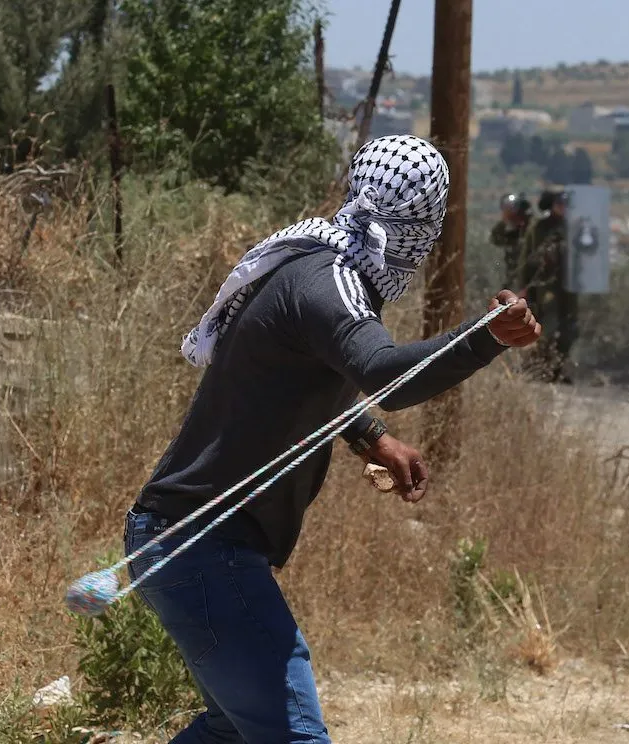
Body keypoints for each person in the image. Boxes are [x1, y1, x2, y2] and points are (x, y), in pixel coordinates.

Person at [123, 134, 542, 744]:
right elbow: (381, 374)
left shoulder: (316, 270)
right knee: (293, 735)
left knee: (236, 734)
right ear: (416, 229)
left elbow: (309, 380)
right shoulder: (330, 283)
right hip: (201, 545)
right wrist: (486, 336)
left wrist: (372, 437)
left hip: (183, 542)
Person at [519, 187, 578, 383]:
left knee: (569, 329)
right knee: (549, 328)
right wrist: (525, 286)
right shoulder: (540, 228)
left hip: (569, 287)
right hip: (546, 286)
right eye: (560, 204)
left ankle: (558, 370)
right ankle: (540, 368)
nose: (563, 208)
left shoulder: (572, 227)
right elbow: (528, 258)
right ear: (552, 205)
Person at [489, 192, 532, 289]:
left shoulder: (530, 229)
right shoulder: (509, 231)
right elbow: (495, 239)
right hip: (513, 276)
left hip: (529, 278)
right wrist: (505, 221)